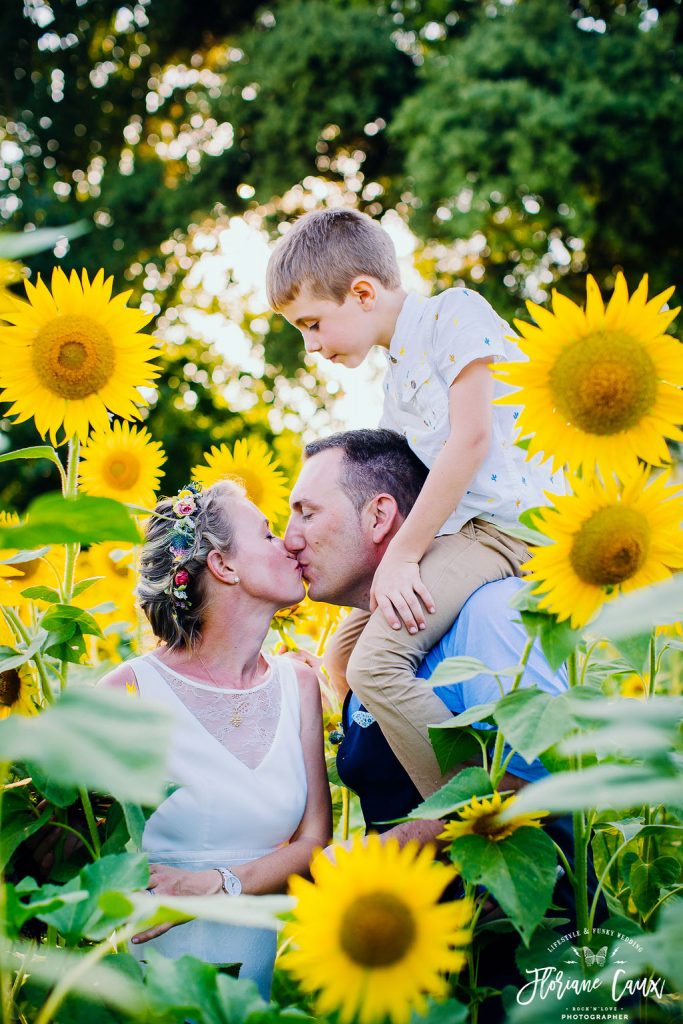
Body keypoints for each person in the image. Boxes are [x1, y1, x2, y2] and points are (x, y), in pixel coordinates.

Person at [268, 207, 564, 798]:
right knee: (344, 648)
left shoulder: (455, 314)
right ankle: (373, 760)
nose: (310, 346)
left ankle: (478, 813)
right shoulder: (396, 377)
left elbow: (472, 438)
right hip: (463, 537)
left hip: (506, 530)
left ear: (362, 292)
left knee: (375, 666)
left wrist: (402, 557)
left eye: (313, 324)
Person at [101, 480, 331, 999]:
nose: (290, 544)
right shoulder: (130, 692)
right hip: (146, 991)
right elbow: (69, 846)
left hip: (253, 1000)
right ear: (224, 566)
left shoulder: (298, 686)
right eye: (268, 534)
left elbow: (315, 845)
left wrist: (217, 883)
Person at [284, 428, 562, 851]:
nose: (290, 539)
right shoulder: (367, 642)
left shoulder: (489, 613)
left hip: (511, 913)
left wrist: (387, 850)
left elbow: (547, 786)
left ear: (378, 517)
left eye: (307, 513)